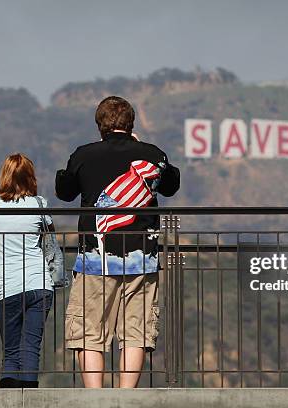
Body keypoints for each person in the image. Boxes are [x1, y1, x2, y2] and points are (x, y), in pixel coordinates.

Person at [55, 95, 180, 388]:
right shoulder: (153, 154)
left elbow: (64, 191)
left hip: (93, 261)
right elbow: (172, 184)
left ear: (100, 125)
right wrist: (141, 146)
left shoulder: (84, 154)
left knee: (88, 331)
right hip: (142, 258)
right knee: (136, 331)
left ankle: (96, 399)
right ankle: (126, 398)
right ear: (131, 123)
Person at [0, 153, 54, 388]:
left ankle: (8, 401)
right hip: (39, 283)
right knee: (31, 348)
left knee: (11, 352)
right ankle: (29, 399)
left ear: (4, 176)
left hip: (8, 286)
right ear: (30, 177)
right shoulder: (39, 204)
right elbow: (49, 236)